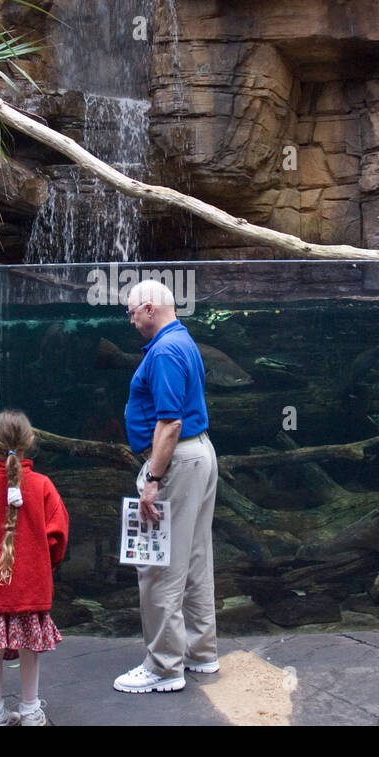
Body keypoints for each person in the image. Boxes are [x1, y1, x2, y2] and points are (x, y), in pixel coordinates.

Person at [113, 279, 219, 694]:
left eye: (132, 312)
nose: (130, 319)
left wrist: (153, 479)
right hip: (197, 456)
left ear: (150, 309)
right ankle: (200, 652)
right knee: (193, 558)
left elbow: (170, 421)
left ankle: (162, 667)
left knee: (158, 565)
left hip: (177, 464)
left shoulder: (165, 351)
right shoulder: (181, 341)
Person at [0, 411, 69, 727]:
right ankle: (31, 709)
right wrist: (47, 565)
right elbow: (58, 537)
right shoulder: (44, 486)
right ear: (29, 443)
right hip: (30, 588)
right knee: (30, 650)